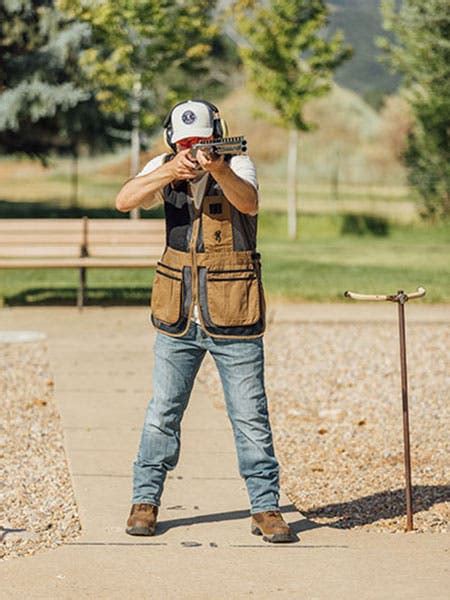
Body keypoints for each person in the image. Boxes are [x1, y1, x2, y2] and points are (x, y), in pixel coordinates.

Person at [115, 99, 297, 543]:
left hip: (233, 310)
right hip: (178, 313)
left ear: (217, 137)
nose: (196, 151)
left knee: (250, 415)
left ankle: (265, 507)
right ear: (173, 142)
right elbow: (124, 200)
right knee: (162, 413)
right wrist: (168, 171)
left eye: (202, 144)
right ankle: (145, 500)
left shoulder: (239, 165)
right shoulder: (164, 164)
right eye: (188, 145)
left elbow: (248, 204)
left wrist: (217, 169)